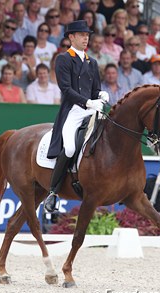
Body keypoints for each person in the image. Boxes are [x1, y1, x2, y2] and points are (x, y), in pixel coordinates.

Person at [43, 20, 109, 213]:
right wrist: (88, 102)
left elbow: (95, 89)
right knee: (70, 148)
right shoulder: (64, 59)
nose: (86, 38)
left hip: (92, 109)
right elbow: (66, 89)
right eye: (82, 35)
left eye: (87, 35)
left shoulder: (92, 62)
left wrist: (101, 95)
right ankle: (53, 192)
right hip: (73, 110)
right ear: (71, 37)